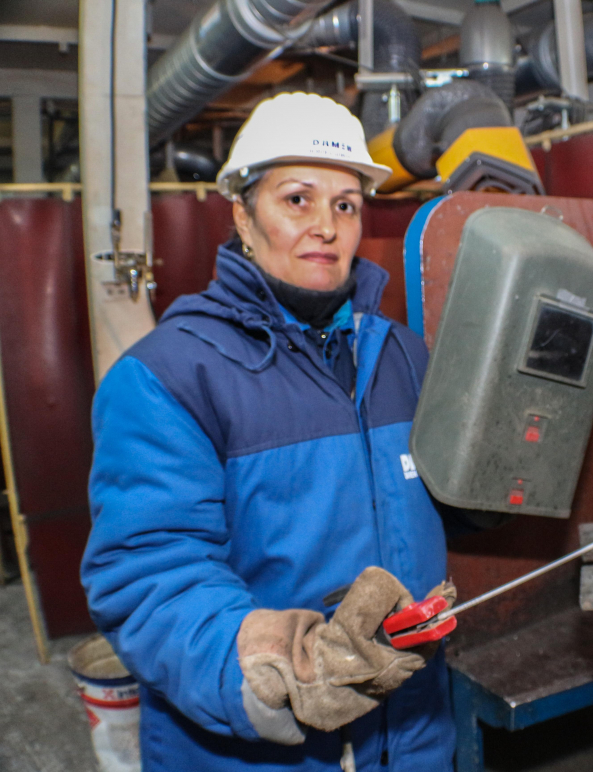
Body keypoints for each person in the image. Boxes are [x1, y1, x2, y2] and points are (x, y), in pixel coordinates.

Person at [81, 92, 501, 772]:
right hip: (259, 753)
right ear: (243, 217)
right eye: (298, 199)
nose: (327, 227)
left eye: (346, 204)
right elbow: (149, 577)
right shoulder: (169, 375)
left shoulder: (401, 354)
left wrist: (486, 487)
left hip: (413, 732)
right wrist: (277, 663)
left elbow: (417, 501)